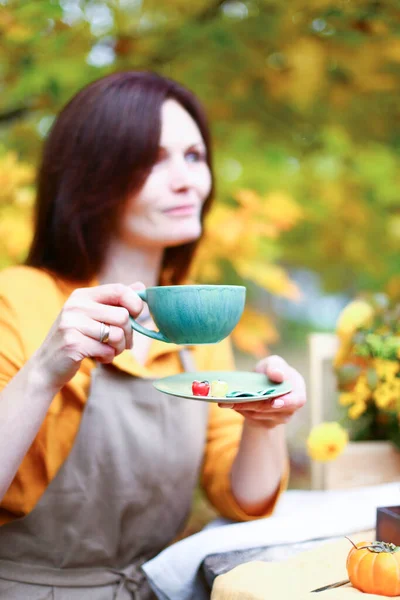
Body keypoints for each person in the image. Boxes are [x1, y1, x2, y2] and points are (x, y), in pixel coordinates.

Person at [0, 71, 306, 599]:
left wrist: (265, 419)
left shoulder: (192, 318)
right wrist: (45, 371)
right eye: (153, 160)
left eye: (194, 156)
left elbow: (242, 499)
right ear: (92, 176)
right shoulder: (18, 297)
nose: (189, 180)